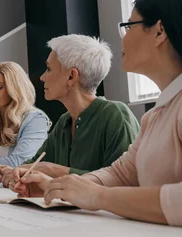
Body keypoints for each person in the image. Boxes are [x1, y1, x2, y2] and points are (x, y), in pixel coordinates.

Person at [10, 0, 182, 227]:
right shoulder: (156, 115)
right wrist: (60, 186)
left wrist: (96, 196)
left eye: (129, 26)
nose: (123, 36)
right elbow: (120, 174)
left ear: (159, 31)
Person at [0, 34, 141, 186]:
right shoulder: (65, 121)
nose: (42, 77)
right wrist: (11, 171)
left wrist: (54, 171)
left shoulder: (116, 115)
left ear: (71, 76)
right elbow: (36, 164)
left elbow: (124, 182)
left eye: (48, 69)